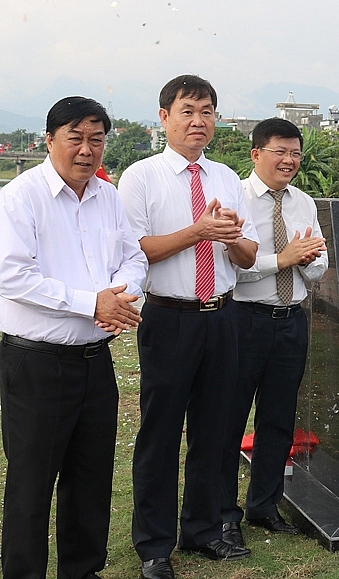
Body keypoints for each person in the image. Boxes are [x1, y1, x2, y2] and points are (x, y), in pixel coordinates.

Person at [0, 97, 147, 579]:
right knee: (31, 483)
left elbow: (135, 257)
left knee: (91, 477)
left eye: (97, 139)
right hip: (35, 364)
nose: (87, 150)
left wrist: (122, 296)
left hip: (94, 361)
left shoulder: (109, 196)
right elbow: (12, 276)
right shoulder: (21, 197)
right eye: (75, 138)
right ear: (49, 140)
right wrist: (93, 302)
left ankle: (83, 572)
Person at [118, 75, 259, 579]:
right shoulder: (141, 176)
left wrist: (232, 238)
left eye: (208, 112)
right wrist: (198, 230)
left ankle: (202, 530)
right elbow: (137, 250)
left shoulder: (226, 177)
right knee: (160, 433)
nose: (198, 121)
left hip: (222, 315)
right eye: (188, 111)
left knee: (215, 430)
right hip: (169, 317)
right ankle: (155, 546)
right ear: (164, 117)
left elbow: (247, 257)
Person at [220, 118, 328, 546]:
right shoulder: (236, 200)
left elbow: (317, 265)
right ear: (256, 154)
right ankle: (224, 513)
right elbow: (230, 273)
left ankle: (264, 505)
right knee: (228, 420)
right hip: (245, 320)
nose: (289, 161)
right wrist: (281, 259)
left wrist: (303, 260)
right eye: (280, 152)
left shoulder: (303, 202)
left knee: (279, 420)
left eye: (295, 153)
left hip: (291, 320)